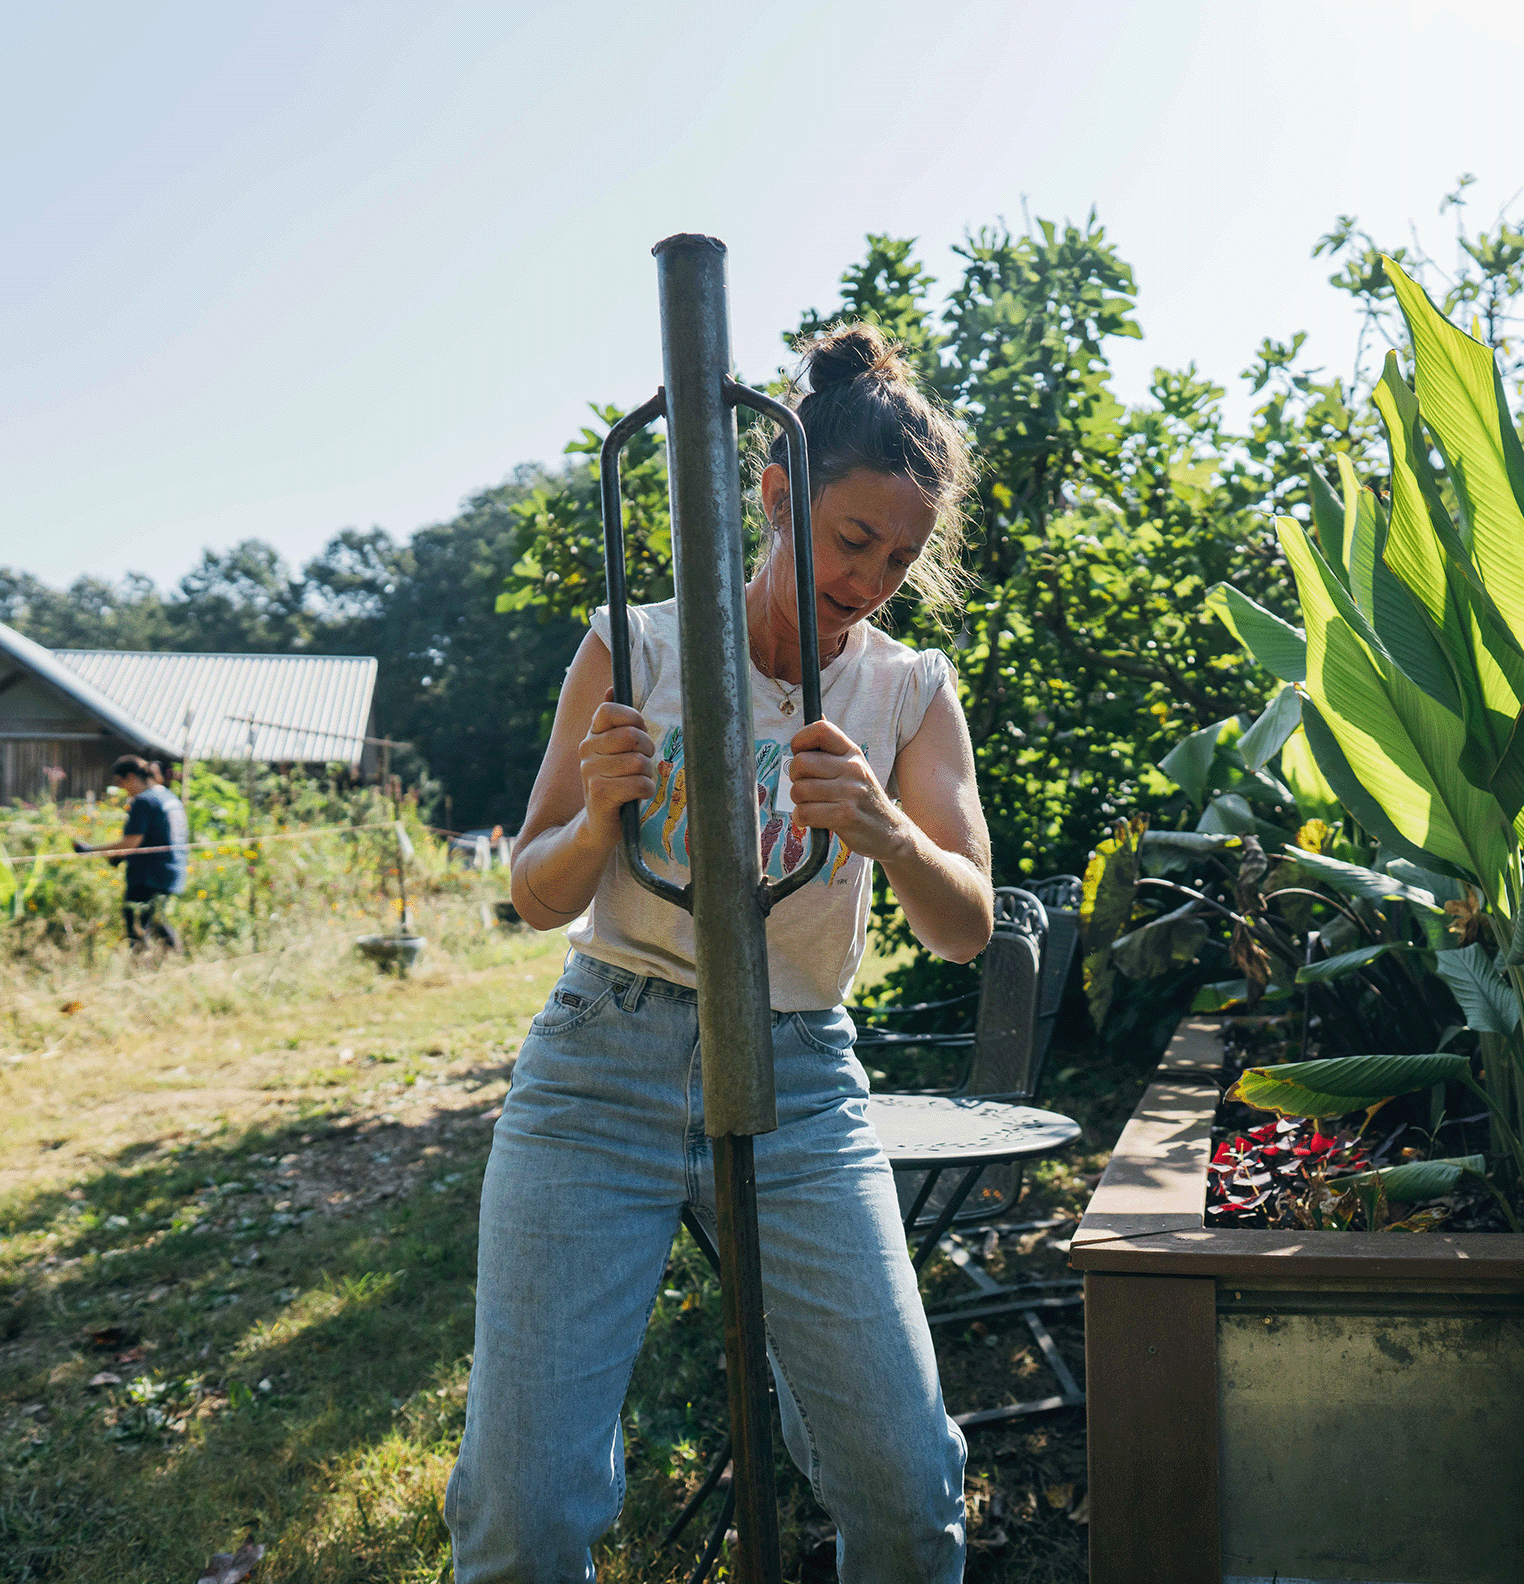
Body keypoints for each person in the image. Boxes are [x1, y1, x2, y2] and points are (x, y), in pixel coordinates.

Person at [444, 324, 991, 1583]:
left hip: (802, 1082)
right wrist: (599, 816)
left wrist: (887, 830)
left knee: (909, 1494)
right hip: (600, 1070)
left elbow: (963, 926)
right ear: (776, 495)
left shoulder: (908, 693)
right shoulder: (635, 647)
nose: (873, 579)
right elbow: (534, 893)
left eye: (901, 557)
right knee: (522, 1517)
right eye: (853, 540)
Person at [80, 755, 188, 952]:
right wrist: (121, 855)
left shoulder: (144, 801)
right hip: (172, 869)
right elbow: (156, 837)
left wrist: (90, 850)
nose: (123, 789)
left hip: (148, 875)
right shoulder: (168, 797)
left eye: (121, 783)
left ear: (130, 777)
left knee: (138, 926)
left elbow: (132, 842)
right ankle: (175, 961)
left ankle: (143, 964)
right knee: (156, 921)